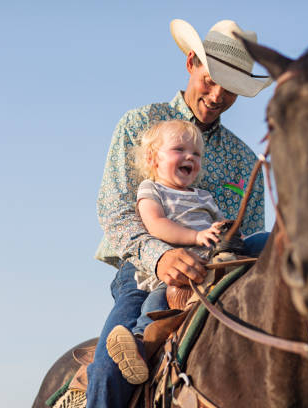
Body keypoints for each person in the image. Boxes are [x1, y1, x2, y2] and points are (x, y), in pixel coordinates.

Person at [87, 18, 272, 408]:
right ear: (191, 63)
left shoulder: (244, 160)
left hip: (220, 277)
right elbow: (116, 212)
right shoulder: (139, 125)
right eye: (211, 79)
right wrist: (162, 257)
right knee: (108, 370)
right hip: (144, 276)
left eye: (232, 89)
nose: (218, 95)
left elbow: (251, 234)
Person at [105, 119, 227, 385]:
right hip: (169, 270)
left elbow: (225, 227)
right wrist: (196, 236)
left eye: (196, 154)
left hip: (210, 269)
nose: (189, 157)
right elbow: (156, 225)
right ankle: (138, 345)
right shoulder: (152, 190)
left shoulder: (204, 197)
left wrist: (226, 233)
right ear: (152, 158)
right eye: (179, 150)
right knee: (158, 303)